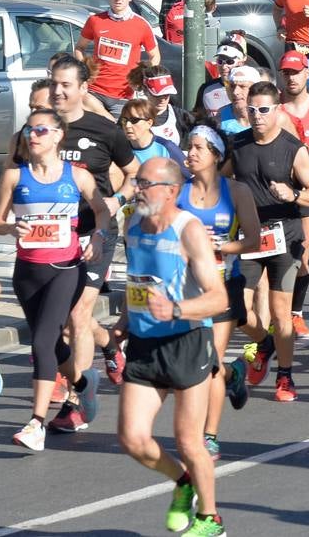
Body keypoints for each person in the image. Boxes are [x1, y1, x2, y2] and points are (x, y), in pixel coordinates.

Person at [114, 158, 230, 536]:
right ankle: (182, 483)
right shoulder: (132, 224)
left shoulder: (189, 230)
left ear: (171, 190)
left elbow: (218, 298)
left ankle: (210, 518)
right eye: (137, 182)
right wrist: (122, 324)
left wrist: (176, 308)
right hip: (144, 344)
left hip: (187, 342)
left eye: (146, 184)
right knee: (132, 438)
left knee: (189, 441)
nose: (138, 189)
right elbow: (139, 283)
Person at [0, 109, 112, 452]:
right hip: (27, 273)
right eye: (29, 130)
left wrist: (99, 237)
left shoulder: (77, 176)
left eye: (41, 130)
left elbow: (101, 210)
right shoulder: (15, 176)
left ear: (59, 135)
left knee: (43, 343)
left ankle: (36, 423)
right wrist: (12, 227)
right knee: (54, 346)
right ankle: (82, 382)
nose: (33, 136)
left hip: (65, 269)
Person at [49, 55, 138, 431]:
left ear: (83, 89)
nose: (58, 91)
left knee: (77, 316)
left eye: (66, 84)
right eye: (54, 83)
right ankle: (110, 344)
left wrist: (118, 200)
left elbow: (134, 173)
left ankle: (77, 401)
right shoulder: (40, 129)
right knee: (64, 322)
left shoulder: (104, 129)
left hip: (95, 232)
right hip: (52, 236)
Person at [228, 81, 309, 403]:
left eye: (264, 110)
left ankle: (285, 375)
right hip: (251, 238)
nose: (257, 116)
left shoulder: (292, 148)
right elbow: (217, 177)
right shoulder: (238, 145)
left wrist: (294, 194)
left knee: (281, 312)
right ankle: (264, 343)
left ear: (277, 110)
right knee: (236, 307)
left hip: (286, 236)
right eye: (252, 109)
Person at [174, 127, 256, 462]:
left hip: (224, 285)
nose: (190, 154)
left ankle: (209, 436)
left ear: (215, 154)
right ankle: (235, 374)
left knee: (209, 362)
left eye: (198, 148)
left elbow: (253, 239)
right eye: (188, 148)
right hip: (188, 288)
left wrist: (220, 246)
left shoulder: (236, 191)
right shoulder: (178, 193)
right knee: (196, 362)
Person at [76, 0, 160, 116]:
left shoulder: (141, 25)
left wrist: (142, 77)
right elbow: (79, 48)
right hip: (95, 92)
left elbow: (155, 56)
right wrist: (84, 70)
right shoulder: (95, 21)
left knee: (118, 135)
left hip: (124, 95)